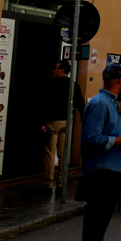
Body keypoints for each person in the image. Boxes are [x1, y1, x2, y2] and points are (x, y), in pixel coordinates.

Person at [75, 64, 121, 241]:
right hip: (101, 168)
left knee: (105, 211)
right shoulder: (101, 103)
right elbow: (92, 138)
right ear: (120, 81)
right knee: (97, 211)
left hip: (113, 166)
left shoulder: (111, 101)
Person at [40, 60, 85, 191]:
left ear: (62, 70)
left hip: (53, 122)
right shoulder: (73, 85)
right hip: (66, 122)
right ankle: (61, 182)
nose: (52, 70)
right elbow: (80, 104)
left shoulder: (51, 84)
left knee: (49, 154)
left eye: (55, 68)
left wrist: (42, 122)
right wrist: (83, 119)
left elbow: (45, 104)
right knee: (63, 154)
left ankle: (48, 183)